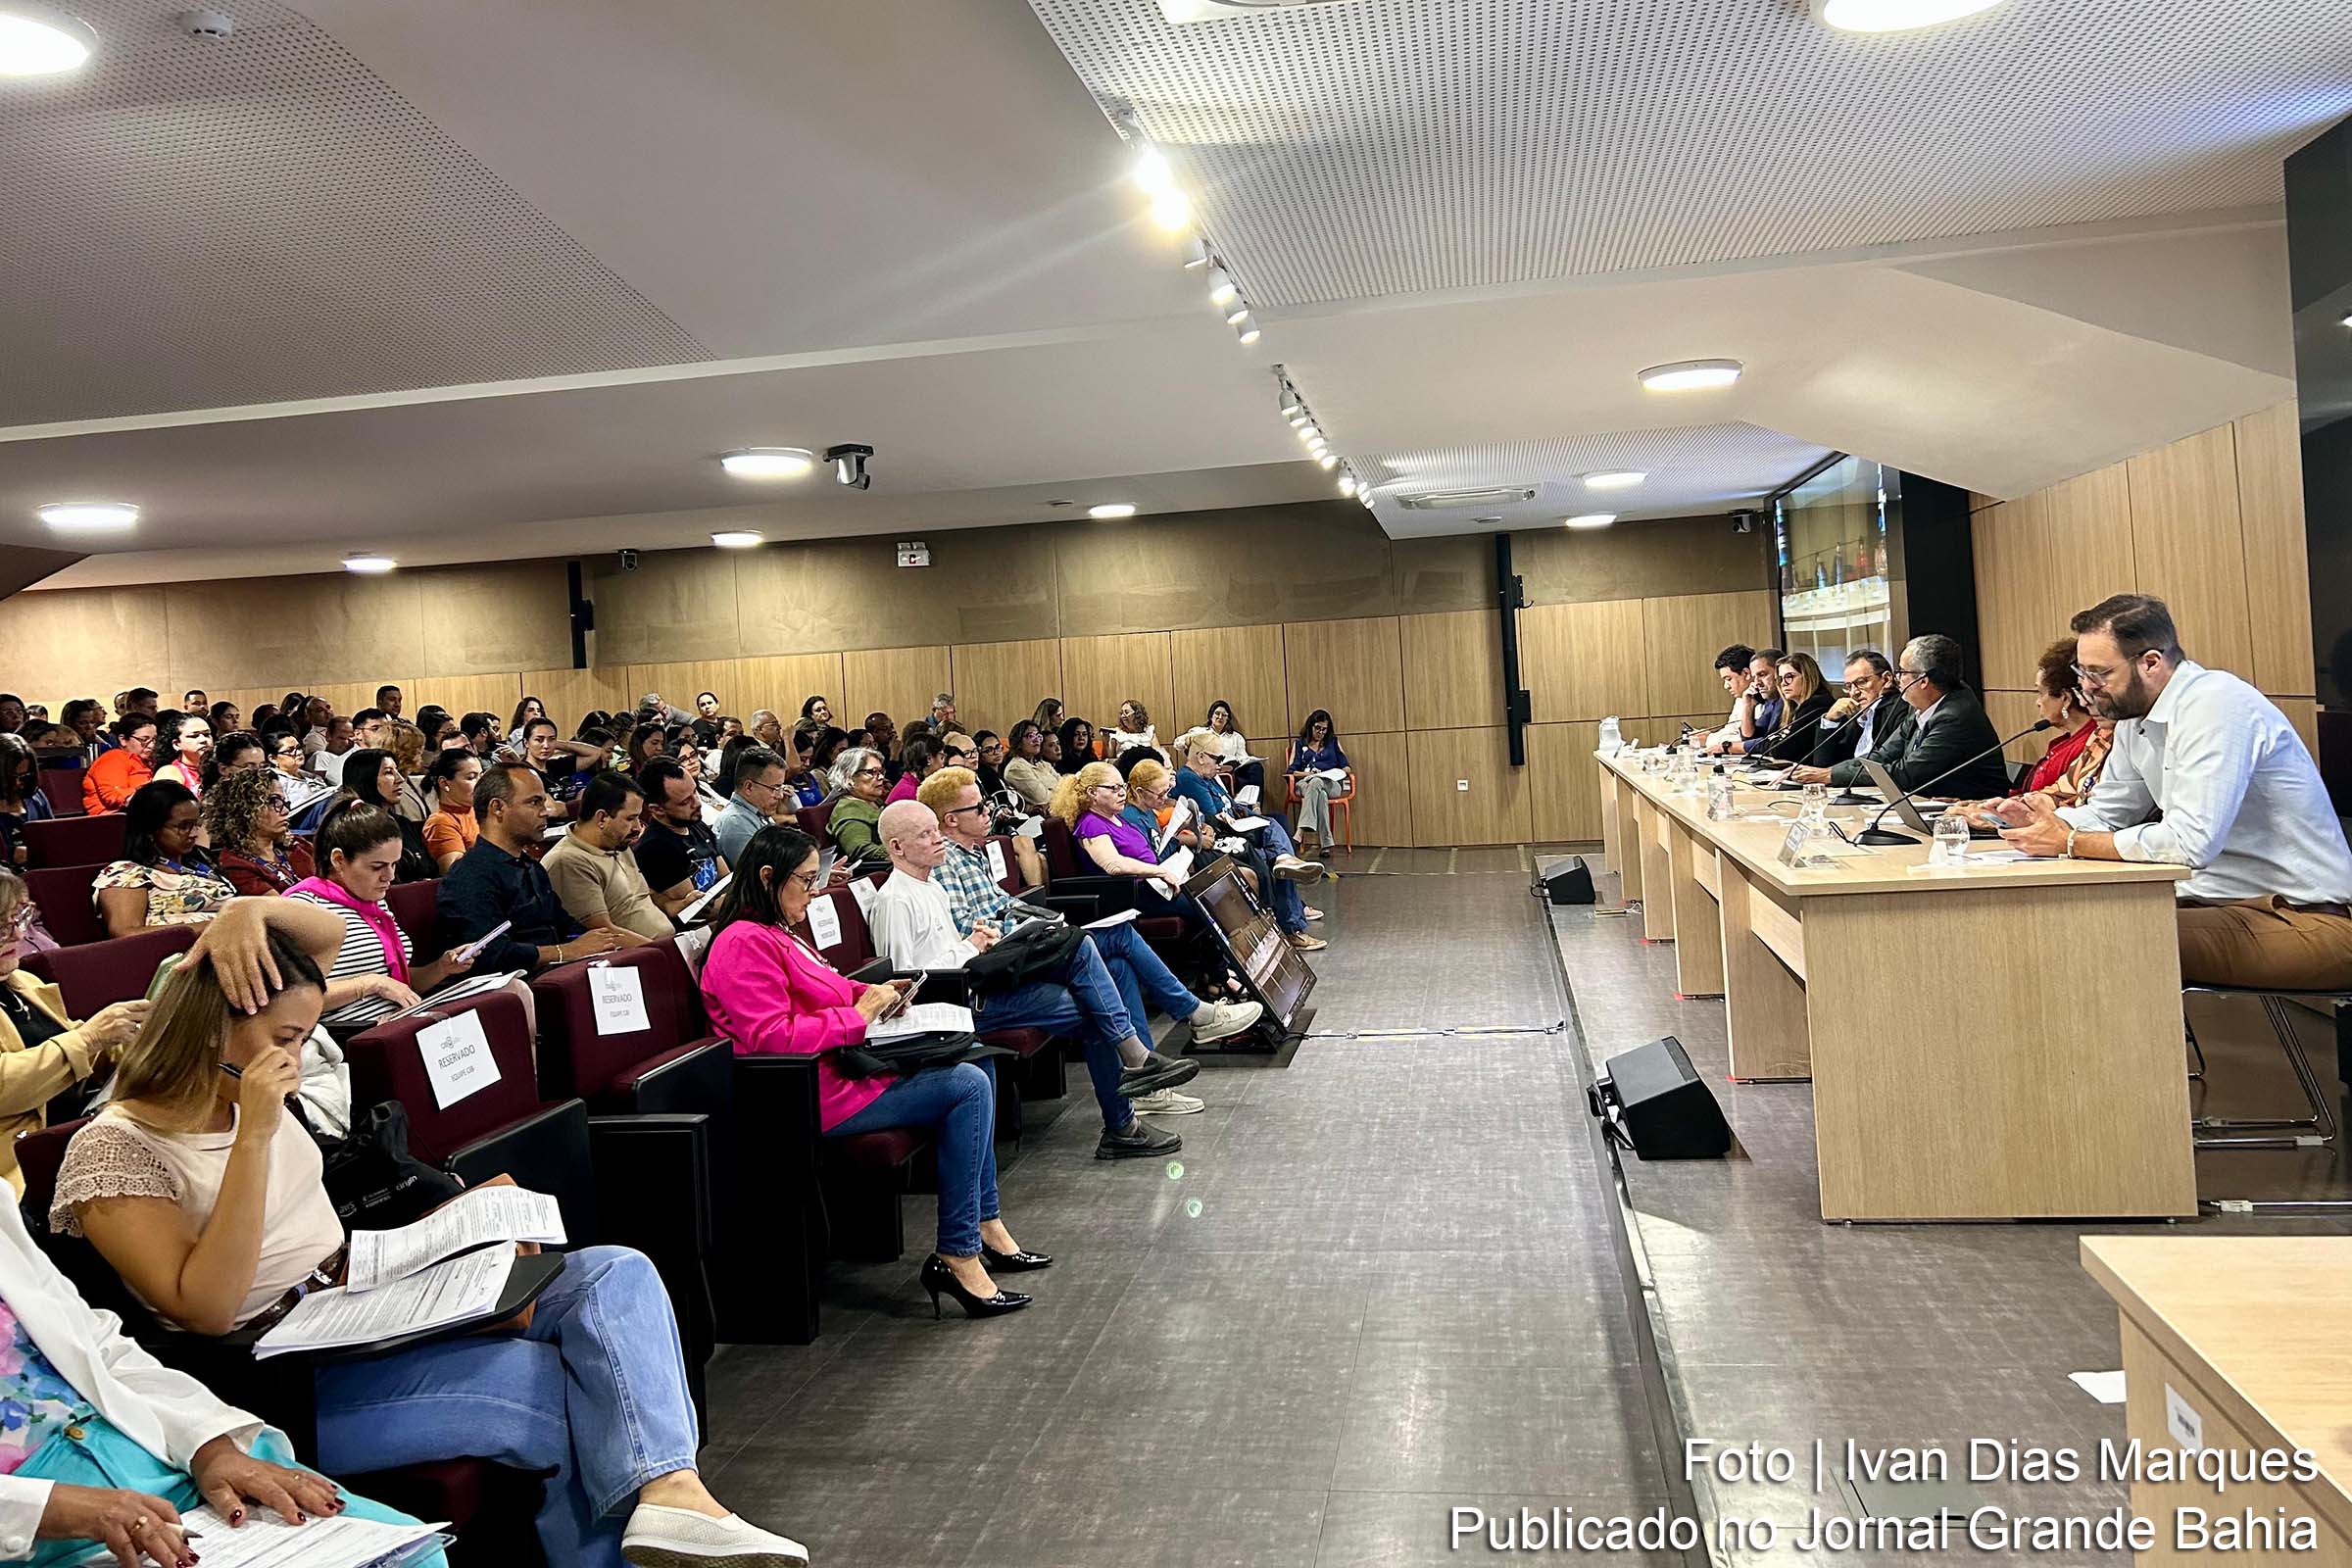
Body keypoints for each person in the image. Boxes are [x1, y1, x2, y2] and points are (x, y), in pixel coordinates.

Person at [52, 903, 810, 1567]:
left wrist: (243, 913)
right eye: (285, 1035)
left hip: (355, 1297)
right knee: (564, 1391)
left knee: (615, 1270)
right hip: (278, 1374)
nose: (294, 1055)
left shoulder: (244, 1082)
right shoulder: (116, 1149)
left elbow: (321, 932)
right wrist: (253, 1136)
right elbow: (207, 1312)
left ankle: (674, 1491)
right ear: (215, 1028)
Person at [700, 823, 1043, 1321]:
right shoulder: (742, 943)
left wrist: (878, 997)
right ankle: (959, 1252)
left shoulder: (776, 931)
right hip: (803, 1092)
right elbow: (769, 1039)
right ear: (769, 877)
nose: (815, 892)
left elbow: (826, 990)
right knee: (967, 1083)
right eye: (805, 880)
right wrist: (859, 1016)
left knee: (978, 1063)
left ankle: (983, 1226)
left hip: (839, 1071)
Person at [1993, 593, 2352, 989]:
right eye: (2082, 672)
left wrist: (2072, 841)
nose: (2086, 688)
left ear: (2150, 662)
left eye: (2098, 674)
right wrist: (2043, 822)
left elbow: (2190, 843)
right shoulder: (2135, 715)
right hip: (2219, 902)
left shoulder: (2216, 705)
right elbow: (2110, 812)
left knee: (2095, 938)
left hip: (2308, 915)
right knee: (2058, 919)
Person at [868, 800, 1200, 1155]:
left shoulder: (930, 886)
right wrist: (969, 947)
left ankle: (1128, 1107)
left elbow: (951, 951)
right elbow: (908, 986)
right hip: (956, 1008)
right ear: (897, 847)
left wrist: (976, 945)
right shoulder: (895, 901)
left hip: (975, 984)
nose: (938, 839)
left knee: (1093, 965)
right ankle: (1127, 1106)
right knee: (1093, 994)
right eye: (926, 834)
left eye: (936, 829)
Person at [918, 765, 1260, 1062]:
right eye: (979, 807)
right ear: (950, 819)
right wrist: (1030, 923)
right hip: (1000, 964)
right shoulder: (946, 863)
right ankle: (1192, 1014)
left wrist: (1034, 918)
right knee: (1119, 936)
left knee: (1118, 965)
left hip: (1020, 945)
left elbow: (1003, 906)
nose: (989, 812)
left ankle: (1145, 1077)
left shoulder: (975, 854)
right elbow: (972, 928)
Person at [0, 868, 144, 1193]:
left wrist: (129, 1038)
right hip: (19, 1168)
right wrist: (90, 1038)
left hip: (80, 1135)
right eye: (1, 928)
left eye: (19, 919)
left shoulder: (23, 982)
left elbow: (82, 1050)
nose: (19, 937)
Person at [290, 803, 476, 1033]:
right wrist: (370, 984)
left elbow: (399, 986)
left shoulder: (375, 904)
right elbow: (291, 1000)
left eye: (394, 864)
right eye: (377, 866)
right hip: (348, 1036)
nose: (389, 876)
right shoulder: (304, 908)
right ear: (339, 860)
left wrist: (441, 968)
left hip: (397, 1024)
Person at [435, 763, 626, 975]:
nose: (545, 812)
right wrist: (563, 951)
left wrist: (599, 942)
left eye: (543, 802)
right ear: (498, 808)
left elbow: (562, 924)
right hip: (517, 985)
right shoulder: (469, 876)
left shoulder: (531, 866)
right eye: (534, 802)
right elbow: (488, 954)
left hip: (559, 974)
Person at [1788, 633, 2009, 797]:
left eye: (1901, 672)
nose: (1897, 679)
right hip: (1933, 805)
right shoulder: (1922, 708)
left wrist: (1830, 776)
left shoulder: (1954, 716)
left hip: (1970, 816)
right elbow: (1881, 757)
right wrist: (1828, 772)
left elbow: (1906, 772)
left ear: (1922, 680)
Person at [1173, 740, 1325, 950]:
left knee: (1276, 823)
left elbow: (1230, 804)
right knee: (1272, 858)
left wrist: (1251, 814)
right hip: (1221, 839)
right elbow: (1213, 816)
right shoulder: (1189, 779)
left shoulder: (1208, 776)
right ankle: (1291, 925)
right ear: (1200, 756)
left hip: (1231, 830)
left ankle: (1291, 899)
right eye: (1218, 759)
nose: (1222, 764)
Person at [94, 782, 235, 938]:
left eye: (196, 824)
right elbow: (125, 934)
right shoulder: (127, 873)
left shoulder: (202, 861)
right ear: (150, 829)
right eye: (183, 827)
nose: (194, 833)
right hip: (176, 954)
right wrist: (213, 926)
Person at [544, 772, 670, 945]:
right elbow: (603, 933)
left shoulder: (617, 841)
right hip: (636, 959)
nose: (637, 827)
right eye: (630, 818)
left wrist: (676, 904)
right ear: (602, 818)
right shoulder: (567, 861)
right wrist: (664, 953)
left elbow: (642, 896)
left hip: (664, 944)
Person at [636, 760, 729, 917]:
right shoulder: (656, 849)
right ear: (657, 810)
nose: (697, 803)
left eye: (695, 792)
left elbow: (726, 879)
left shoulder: (695, 823)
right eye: (686, 801)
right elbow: (701, 911)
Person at [204, 766, 314, 897]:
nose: (285, 811)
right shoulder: (236, 865)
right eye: (274, 802)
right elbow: (282, 909)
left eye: (284, 802)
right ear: (246, 809)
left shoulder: (297, 845)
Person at [336, 747, 433, 882]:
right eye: (388, 772)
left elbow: (428, 868)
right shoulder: (351, 829)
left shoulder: (403, 823)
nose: (400, 779)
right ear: (366, 779)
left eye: (397, 771)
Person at [1803, 650, 1902, 765]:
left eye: (1861, 682)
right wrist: (1830, 720)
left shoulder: (1898, 709)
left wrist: (1831, 775)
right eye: (1849, 686)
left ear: (1886, 679)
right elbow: (1822, 763)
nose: (1854, 692)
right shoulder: (1854, 715)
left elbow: (1885, 763)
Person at [1286, 709, 1351, 856]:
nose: (1321, 732)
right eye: (1317, 728)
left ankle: (1300, 831)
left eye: (1324, 729)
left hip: (1330, 784)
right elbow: (1291, 771)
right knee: (1318, 792)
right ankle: (1326, 844)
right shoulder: (1299, 744)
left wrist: (1332, 773)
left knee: (1317, 783)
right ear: (1310, 726)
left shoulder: (1333, 742)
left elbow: (1346, 767)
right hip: (1304, 783)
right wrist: (1308, 774)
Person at [713, 746, 789, 868]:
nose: (780, 795)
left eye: (781, 787)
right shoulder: (736, 823)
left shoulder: (759, 813)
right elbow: (758, 877)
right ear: (749, 787)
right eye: (775, 788)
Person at [1756, 652, 1835, 762]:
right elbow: (1764, 742)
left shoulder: (1817, 705)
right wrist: (1776, 741)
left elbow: (1781, 751)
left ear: (1807, 676)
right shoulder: (1790, 707)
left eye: (1789, 677)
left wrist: (1775, 741)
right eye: (1780, 679)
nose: (1783, 684)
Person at [825, 747, 891, 872]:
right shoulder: (848, 809)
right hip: (878, 873)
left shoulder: (873, 801)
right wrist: (905, 852)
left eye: (881, 771)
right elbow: (862, 849)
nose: (881, 777)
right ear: (849, 777)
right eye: (872, 772)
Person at [1707, 648, 1783, 757]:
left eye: (1762, 674)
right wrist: (1748, 705)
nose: (1757, 682)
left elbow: (1770, 744)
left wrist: (1726, 746)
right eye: (1755, 676)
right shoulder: (1769, 702)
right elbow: (1749, 738)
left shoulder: (1787, 702)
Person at [419, 747, 483, 871]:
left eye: (481, 775)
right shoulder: (440, 822)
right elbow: (455, 872)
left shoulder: (481, 811)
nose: (481, 783)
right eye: (471, 778)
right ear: (444, 783)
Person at [82, 714, 157, 814]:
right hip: (114, 820)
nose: (151, 745)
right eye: (144, 740)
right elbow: (114, 797)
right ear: (123, 740)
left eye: (154, 739)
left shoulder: (147, 761)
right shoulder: (113, 758)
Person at [0, 737, 53, 868]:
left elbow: (52, 835)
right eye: (11, 777)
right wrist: (11, 854)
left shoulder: (35, 797)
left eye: (24, 776)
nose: (18, 783)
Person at [1001, 721, 1056, 808]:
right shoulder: (1016, 768)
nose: (1036, 739)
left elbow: (1065, 785)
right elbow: (1043, 798)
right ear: (1018, 741)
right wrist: (1062, 793)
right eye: (1030, 736)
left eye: (1038, 736)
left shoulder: (1043, 764)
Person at [885, 736, 943, 805]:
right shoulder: (908, 793)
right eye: (941, 757)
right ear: (929, 759)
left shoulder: (914, 786)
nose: (943, 764)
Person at [309, 712, 360, 788]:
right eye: (341, 738)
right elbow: (321, 786)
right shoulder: (322, 756)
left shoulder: (355, 755)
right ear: (328, 736)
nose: (346, 743)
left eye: (350, 739)